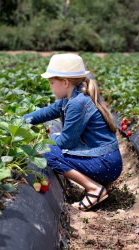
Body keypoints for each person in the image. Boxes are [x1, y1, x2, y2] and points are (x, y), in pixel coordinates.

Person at [23, 53, 122, 211]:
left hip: (106, 164)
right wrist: (19, 122)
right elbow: (44, 113)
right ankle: (96, 184)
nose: (50, 86)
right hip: (107, 161)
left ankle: (95, 189)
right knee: (52, 144)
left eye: (52, 82)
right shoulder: (71, 99)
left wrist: (52, 139)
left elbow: (67, 142)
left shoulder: (77, 103)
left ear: (65, 82)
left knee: (47, 150)